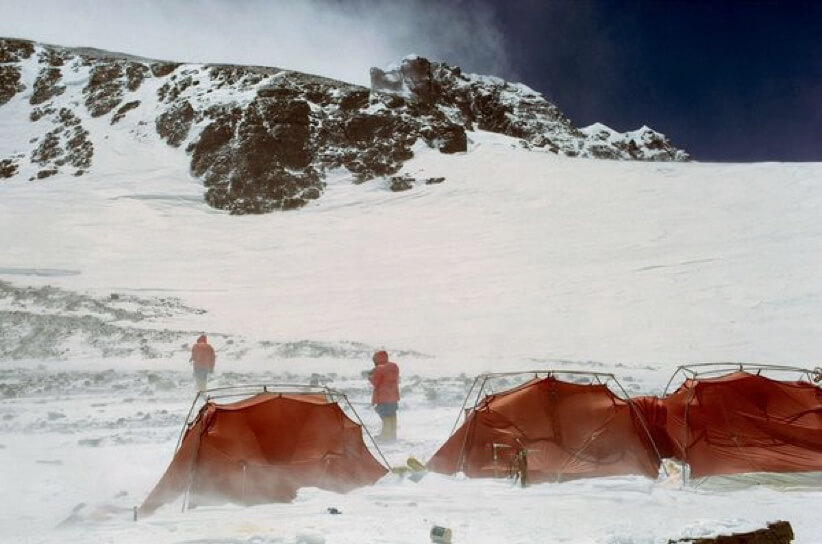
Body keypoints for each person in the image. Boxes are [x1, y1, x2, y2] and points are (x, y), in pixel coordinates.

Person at [368, 350, 400, 441]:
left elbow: (376, 382)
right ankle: (393, 435)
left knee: (385, 417)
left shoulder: (378, 369)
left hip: (383, 397)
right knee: (392, 415)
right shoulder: (394, 366)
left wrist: (370, 377)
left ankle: (385, 436)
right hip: (394, 396)